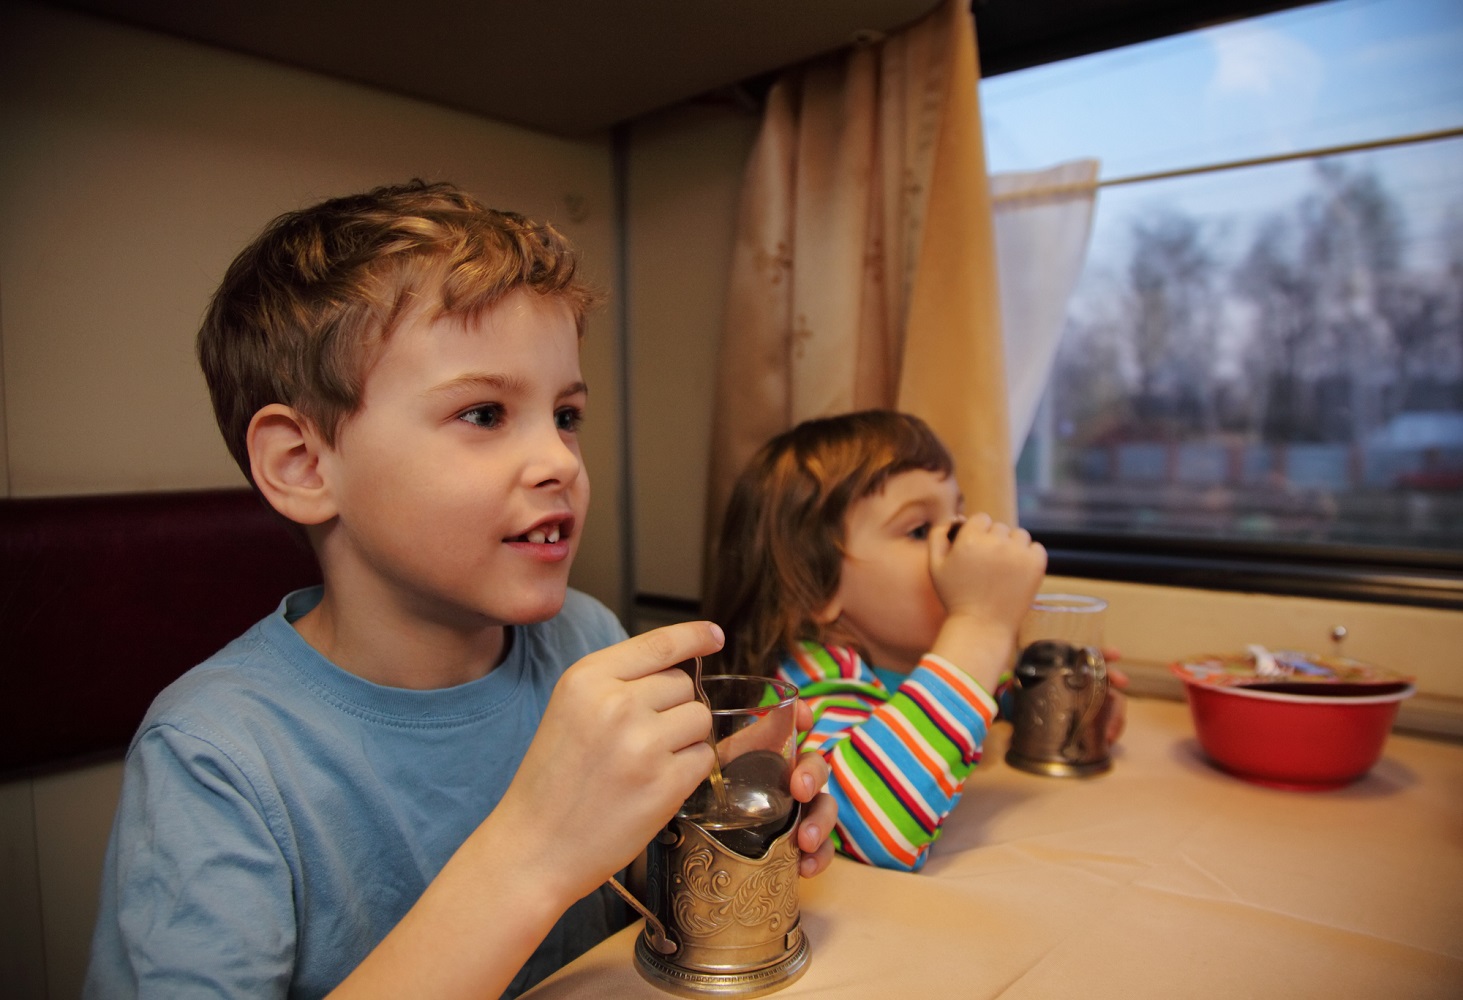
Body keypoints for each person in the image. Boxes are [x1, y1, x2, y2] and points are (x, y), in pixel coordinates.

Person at [84, 180, 836, 1000]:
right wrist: (534, 852)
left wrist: (727, 834)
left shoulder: (586, 640)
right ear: (304, 466)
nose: (559, 461)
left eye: (566, 415)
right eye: (483, 414)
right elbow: (548, 852)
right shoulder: (217, 757)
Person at [706, 410, 1126, 872]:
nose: (958, 540)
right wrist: (981, 625)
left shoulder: (900, 661)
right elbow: (867, 821)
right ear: (818, 588)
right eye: (921, 529)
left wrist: (1060, 701)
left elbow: (981, 700)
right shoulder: (807, 688)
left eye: (957, 515)